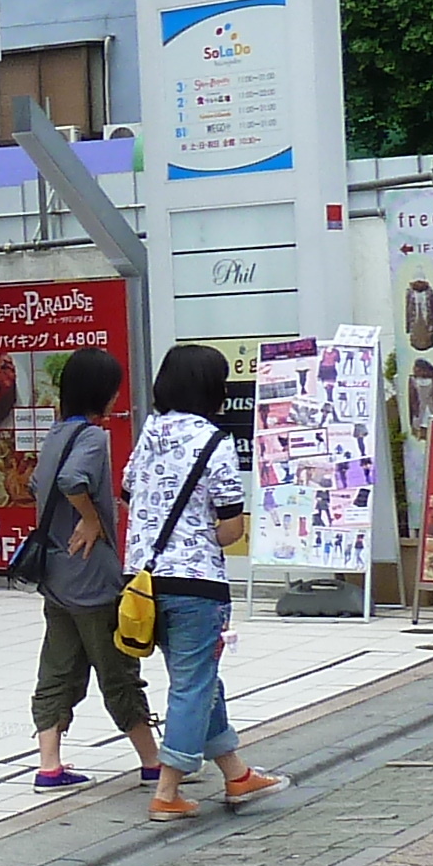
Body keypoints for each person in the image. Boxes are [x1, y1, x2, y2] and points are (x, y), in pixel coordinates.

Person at [122, 341, 287, 823]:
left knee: (197, 679)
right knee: (193, 684)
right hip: (197, 582)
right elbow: (231, 527)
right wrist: (204, 532)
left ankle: (236, 773)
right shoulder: (214, 443)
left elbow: (130, 490)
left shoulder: (150, 432)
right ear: (213, 389)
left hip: (146, 581)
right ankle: (168, 790)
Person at [25, 348, 162, 792]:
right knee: (117, 669)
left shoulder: (55, 434)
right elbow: (71, 482)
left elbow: (37, 484)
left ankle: (49, 765)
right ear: (101, 392)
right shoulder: (92, 438)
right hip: (92, 576)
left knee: (58, 669)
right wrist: (89, 517)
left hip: (57, 575)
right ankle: (152, 761)